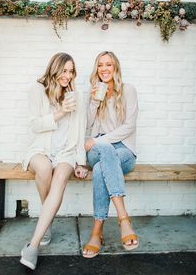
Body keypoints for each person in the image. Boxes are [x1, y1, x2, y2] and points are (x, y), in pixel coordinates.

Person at [20, 52, 88, 270]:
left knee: (59, 179)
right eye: (64, 70)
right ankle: (46, 221)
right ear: (54, 68)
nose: (68, 75)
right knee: (44, 167)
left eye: (71, 71)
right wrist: (59, 113)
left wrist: (81, 162)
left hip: (66, 153)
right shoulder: (37, 90)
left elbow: (80, 131)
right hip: (41, 148)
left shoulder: (75, 95)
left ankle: (33, 245)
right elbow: (34, 125)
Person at [83, 51, 139, 258]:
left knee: (100, 170)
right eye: (100, 65)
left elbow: (129, 126)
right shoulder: (92, 92)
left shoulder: (128, 91)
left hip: (124, 151)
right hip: (97, 151)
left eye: (109, 64)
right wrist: (94, 102)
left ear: (116, 68)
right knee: (104, 152)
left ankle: (97, 231)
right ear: (96, 69)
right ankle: (123, 218)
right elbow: (86, 127)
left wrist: (98, 141)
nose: (104, 69)